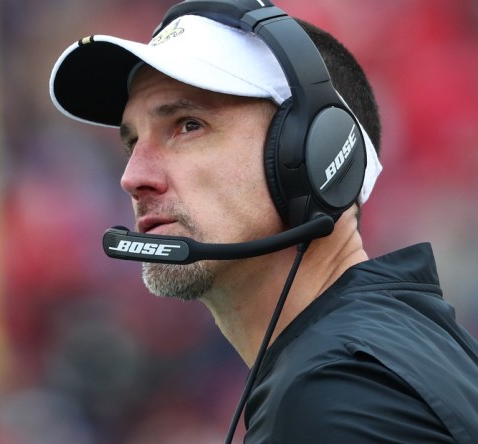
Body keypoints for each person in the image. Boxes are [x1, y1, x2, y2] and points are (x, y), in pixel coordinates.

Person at [48, 1, 478, 443]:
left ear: (312, 155)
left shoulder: (334, 395)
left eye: (188, 125)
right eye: (132, 142)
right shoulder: (399, 349)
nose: (132, 178)